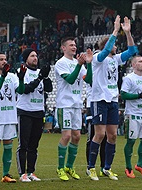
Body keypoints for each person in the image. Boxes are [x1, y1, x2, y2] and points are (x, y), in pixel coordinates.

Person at [87, 15, 137, 181]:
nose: (116, 46)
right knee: (99, 134)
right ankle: (91, 167)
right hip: (99, 99)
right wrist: (115, 30)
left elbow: (132, 51)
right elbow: (106, 51)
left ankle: (107, 168)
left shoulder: (115, 59)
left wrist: (127, 33)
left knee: (113, 135)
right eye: (114, 43)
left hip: (112, 100)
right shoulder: (97, 58)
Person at [0, 52, 26, 184]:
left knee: (8, 146)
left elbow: (21, 91)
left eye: (5, 59)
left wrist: (21, 79)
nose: (4, 61)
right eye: (1, 59)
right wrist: (2, 77)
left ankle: (6, 174)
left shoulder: (12, 76)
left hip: (10, 117)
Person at [55, 37, 92, 181]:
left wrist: (88, 64)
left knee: (77, 136)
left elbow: (88, 79)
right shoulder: (61, 63)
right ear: (63, 48)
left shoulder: (79, 64)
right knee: (67, 136)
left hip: (77, 105)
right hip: (65, 104)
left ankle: (69, 167)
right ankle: (60, 168)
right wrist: (79, 65)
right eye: (71, 45)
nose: (74, 47)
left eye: (75, 45)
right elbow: (70, 79)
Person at [16, 48, 53, 182]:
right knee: (23, 144)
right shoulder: (21, 72)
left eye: (36, 56)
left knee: (34, 145)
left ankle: (31, 171)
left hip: (38, 111)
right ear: (26, 59)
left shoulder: (40, 73)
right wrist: (39, 78)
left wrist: (46, 76)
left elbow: (49, 89)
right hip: (25, 111)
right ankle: (22, 173)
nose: (35, 58)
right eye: (32, 56)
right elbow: (25, 90)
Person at [121, 55, 142, 178]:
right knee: (131, 141)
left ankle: (140, 165)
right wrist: (138, 96)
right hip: (133, 114)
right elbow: (123, 95)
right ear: (133, 65)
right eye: (140, 61)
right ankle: (128, 167)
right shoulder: (129, 78)